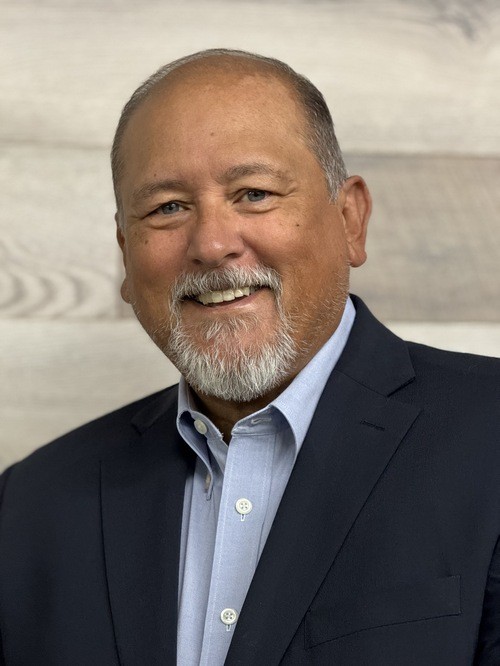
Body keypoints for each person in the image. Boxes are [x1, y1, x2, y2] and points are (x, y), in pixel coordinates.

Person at [0, 48, 499, 665]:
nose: (212, 244)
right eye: (167, 207)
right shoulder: (30, 506)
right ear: (125, 254)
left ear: (350, 220)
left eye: (255, 193)